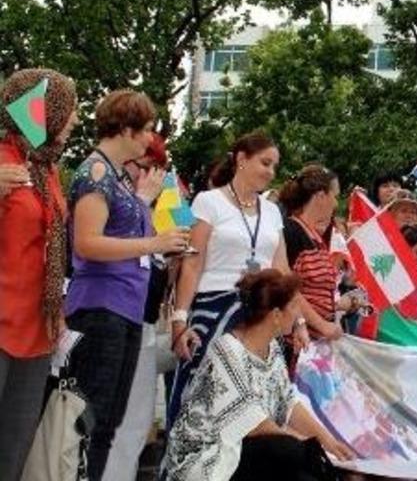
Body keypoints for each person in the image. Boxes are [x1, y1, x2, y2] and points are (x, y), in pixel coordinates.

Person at [65, 90, 190, 480]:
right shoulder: (95, 172)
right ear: (125, 128)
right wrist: (154, 243)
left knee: (107, 423)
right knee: (90, 420)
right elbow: (87, 243)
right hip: (100, 307)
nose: (150, 139)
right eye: (147, 129)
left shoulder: (117, 178)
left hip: (126, 310)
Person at [161, 270, 353, 481]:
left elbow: (288, 402)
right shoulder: (227, 351)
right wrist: (310, 447)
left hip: (243, 447)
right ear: (276, 315)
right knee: (292, 453)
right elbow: (253, 423)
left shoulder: (273, 347)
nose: (298, 315)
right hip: (209, 454)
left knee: (302, 463)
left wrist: (328, 441)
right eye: (293, 307)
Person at [168, 132, 288, 427]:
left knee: (257, 398)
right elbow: (192, 263)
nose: (271, 172)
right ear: (242, 159)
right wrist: (179, 320)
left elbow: (281, 268)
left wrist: (295, 320)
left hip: (260, 314)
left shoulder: (272, 211)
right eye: (265, 163)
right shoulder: (208, 202)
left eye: (275, 166)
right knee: (204, 398)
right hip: (214, 311)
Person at [0, 69, 79, 481]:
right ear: (42, 110)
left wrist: (57, 309)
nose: (75, 118)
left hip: (37, 329)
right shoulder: (2, 161)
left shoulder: (46, 169)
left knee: (13, 450)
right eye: (68, 108)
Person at [279, 164, 346, 353]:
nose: (336, 204)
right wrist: (322, 325)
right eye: (335, 196)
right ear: (320, 196)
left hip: (313, 346)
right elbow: (286, 285)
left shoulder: (315, 238)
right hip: (294, 343)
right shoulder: (291, 231)